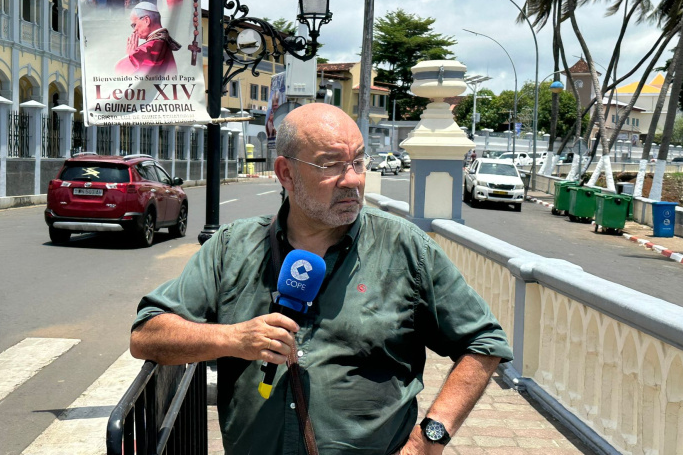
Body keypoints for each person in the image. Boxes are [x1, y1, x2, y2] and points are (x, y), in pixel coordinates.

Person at [130, 103, 513, 455]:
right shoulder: (232, 247)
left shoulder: (405, 248)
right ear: (286, 173)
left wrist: (427, 440)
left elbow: (484, 342)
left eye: (359, 162)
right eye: (331, 165)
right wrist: (232, 339)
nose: (352, 180)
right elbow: (147, 334)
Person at [115, 2, 180, 76]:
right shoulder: (163, 41)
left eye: (134, 25)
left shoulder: (150, 47)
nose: (134, 30)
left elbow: (120, 72)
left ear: (146, 20)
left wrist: (130, 56)